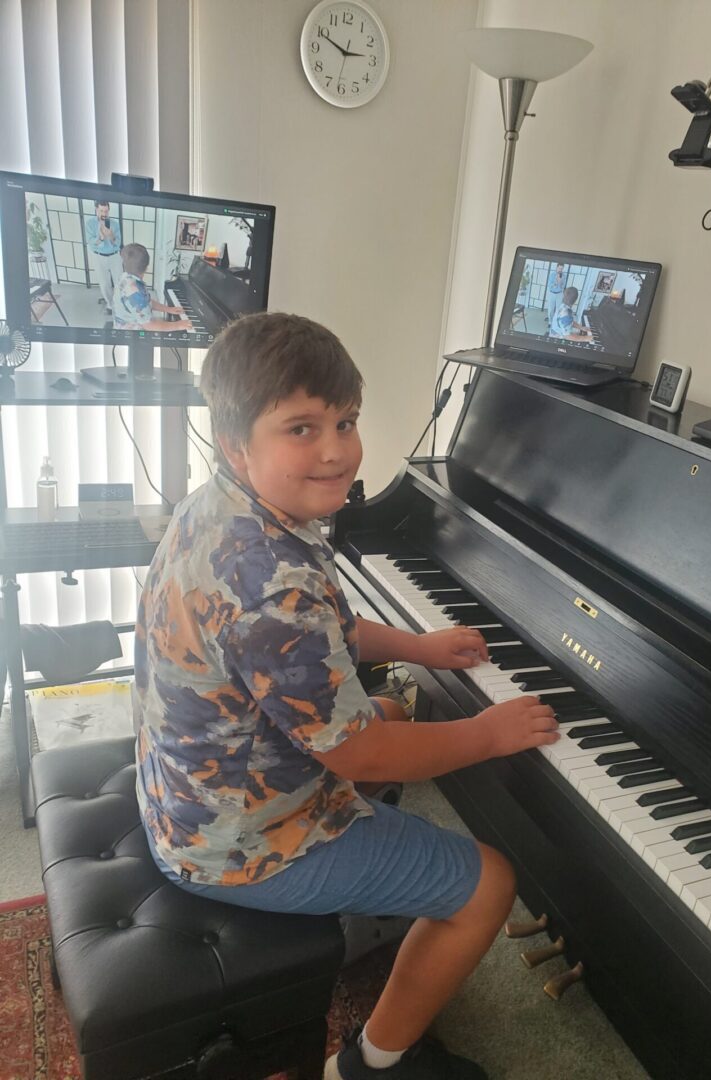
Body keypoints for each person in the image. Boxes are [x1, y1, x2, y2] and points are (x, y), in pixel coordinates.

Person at [134, 311, 560, 1080]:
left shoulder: (229, 509)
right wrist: (489, 734)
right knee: (490, 880)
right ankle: (371, 1061)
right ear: (237, 443)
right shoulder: (272, 583)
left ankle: (379, 894)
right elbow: (358, 750)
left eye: (346, 420)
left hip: (185, 793)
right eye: (301, 428)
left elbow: (318, 633)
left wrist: (417, 647)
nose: (335, 448)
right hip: (237, 843)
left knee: (396, 708)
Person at [112, 242, 192, 331]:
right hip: (131, 335)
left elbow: (147, 302)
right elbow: (149, 325)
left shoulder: (125, 276)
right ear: (146, 268)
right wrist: (178, 325)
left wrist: (168, 309)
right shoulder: (135, 291)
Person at [85, 200, 122, 314]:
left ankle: (119, 304)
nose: (104, 214)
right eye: (101, 210)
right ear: (96, 210)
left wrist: (111, 237)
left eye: (106, 211)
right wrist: (100, 238)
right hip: (99, 257)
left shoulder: (114, 224)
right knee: (104, 283)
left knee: (119, 282)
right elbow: (90, 242)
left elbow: (118, 243)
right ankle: (110, 304)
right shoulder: (90, 223)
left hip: (115, 256)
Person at [545, 262, 565, 334]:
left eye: (562, 269)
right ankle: (550, 322)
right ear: (556, 267)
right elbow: (550, 286)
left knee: (558, 309)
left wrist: (560, 282)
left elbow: (563, 287)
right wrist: (556, 282)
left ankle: (555, 322)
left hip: (559, 294)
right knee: (551, 309)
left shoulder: (563, 275)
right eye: (559, 268)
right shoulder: (552, 275)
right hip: (552, 293)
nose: (560, 270)